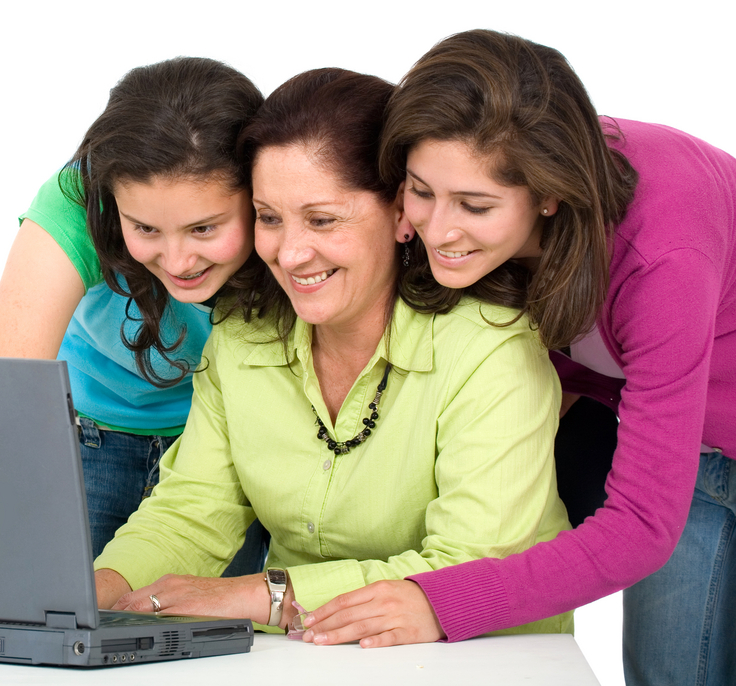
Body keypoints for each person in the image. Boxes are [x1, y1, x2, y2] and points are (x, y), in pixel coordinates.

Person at [299, 30, 736, 686]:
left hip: (712, 442)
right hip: (625, 407)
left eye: (475, 206)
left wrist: (441, 603)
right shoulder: (481, 187)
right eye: (421, 191)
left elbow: (644, 525)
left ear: (549, 195)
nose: (438, 230)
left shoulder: (663, 257)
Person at [90, 68, 573, 638]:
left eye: (322, 220)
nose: (290, 253)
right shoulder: (244, 339)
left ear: (401, 213)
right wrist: (90, 592)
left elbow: (469, 564)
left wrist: (260, 595)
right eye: (269, 218)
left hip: (484, 660)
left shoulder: (492, 347)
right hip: (313, 655)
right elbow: (190, 512)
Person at [0, 57, 267, 569]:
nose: (178, 263)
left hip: (221, 452)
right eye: (146, 229)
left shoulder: (284, 202)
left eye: (204, 229)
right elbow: (3, 397)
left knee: (219, 638)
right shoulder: (74, 201)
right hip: (91, 438)